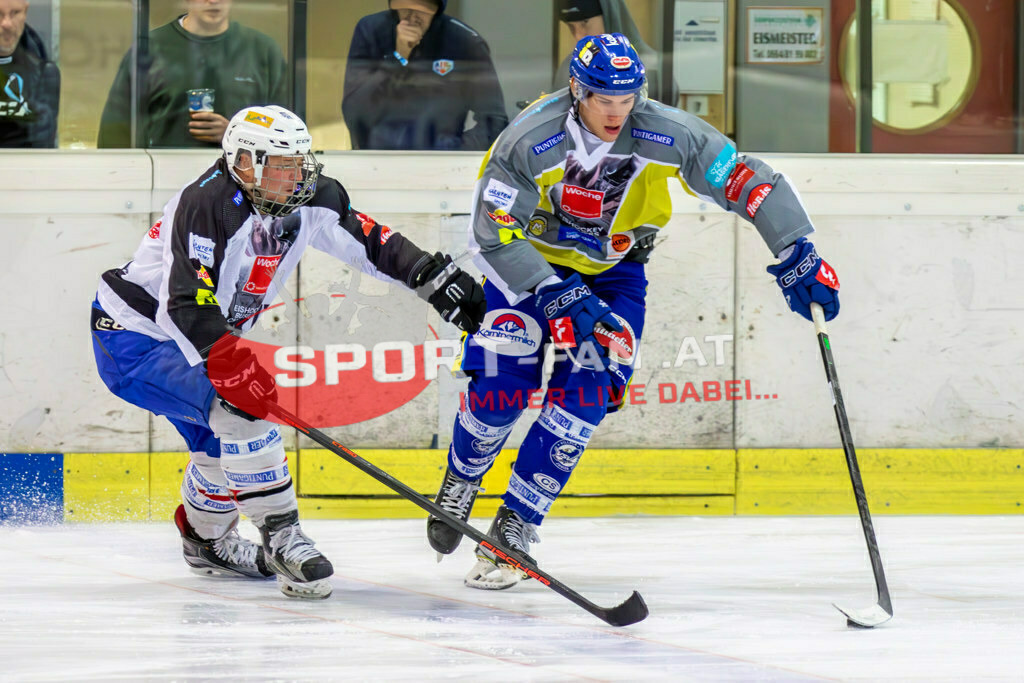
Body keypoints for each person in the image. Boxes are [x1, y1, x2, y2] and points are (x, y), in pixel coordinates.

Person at [426, 34, 840, 589]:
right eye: (603, 99)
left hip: (616, 273)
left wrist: (796, 250)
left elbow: (743, 178)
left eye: (626, 99)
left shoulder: (664, 130)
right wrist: (553, 291)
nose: (616, 112)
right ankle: (462, 476)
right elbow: (492, 234)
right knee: (502, 386)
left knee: (587, 393)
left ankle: (516, 524)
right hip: (528, 272)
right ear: (577, 90)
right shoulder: (529, 138)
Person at [90, 104, 487, 599]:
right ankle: (283, 537)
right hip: (136, 338)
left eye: (300, 162)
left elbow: (370, 244)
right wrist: (229, 363)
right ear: (244, 163)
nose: (297, 175)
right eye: (282, 165)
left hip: (193, 335)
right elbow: (186, 301)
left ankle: (207, 543)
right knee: (241, 410)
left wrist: (436, 279)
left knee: (220, 447)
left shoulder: (310, 197)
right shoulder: (207, 203)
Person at [98, 0, 287, 148]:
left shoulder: (262, 51)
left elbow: (288, 130)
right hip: (166, 179)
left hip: (244, 180)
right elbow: (116, 133)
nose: (213, 1)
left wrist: (234, 134)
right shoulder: (150, 49)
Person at [342, 0, 508, 151]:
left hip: (443, 164)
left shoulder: (465, 41)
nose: (412, 17)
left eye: (422, 8)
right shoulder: (371, 30)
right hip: (376, 160)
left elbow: (494, 121)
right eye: (405, 7)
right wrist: (399, 58)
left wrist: (454, 151)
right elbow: (354, 111)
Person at [554, 0, 675, 107]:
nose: (578, 35)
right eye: (571, 27)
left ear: (609, 15)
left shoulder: (653, 66)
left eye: (584, 23)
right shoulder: (571, 66)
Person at [0, 0, 59, 147]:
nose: (7, 24)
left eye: (15, 13)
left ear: (25, 12)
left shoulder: (43, 71)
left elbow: (40, 143)